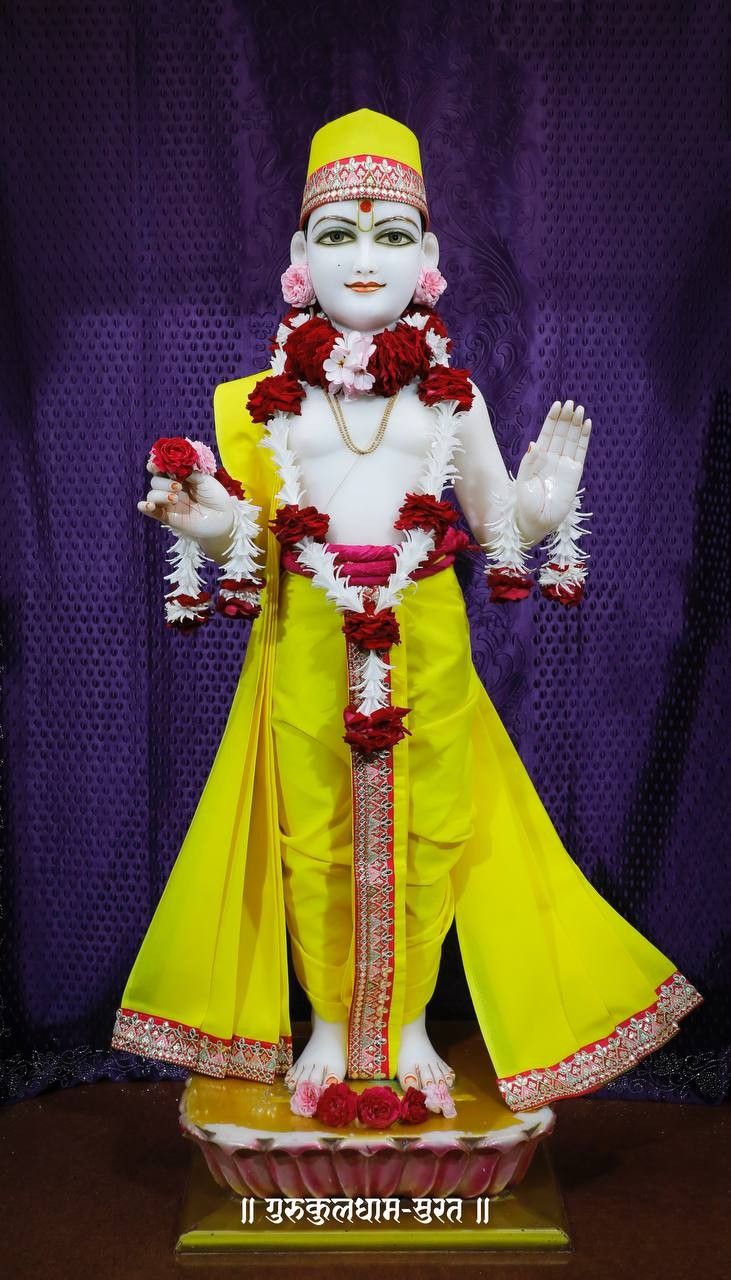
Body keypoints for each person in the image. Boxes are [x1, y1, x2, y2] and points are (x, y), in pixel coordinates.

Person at [111, 108, 702, 1113]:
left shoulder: (448, 398)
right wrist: (212, 534)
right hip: (304, 641)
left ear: (427, 256)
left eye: (390, 236)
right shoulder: (263, 401)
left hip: (422, 636)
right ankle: (333, 1027)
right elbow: (255, 541)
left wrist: (537, 508)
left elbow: (493, 522)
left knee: (429, 830)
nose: (365, 258)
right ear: (300, 257)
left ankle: (413, 1020)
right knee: (314, 837)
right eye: (338, 235)